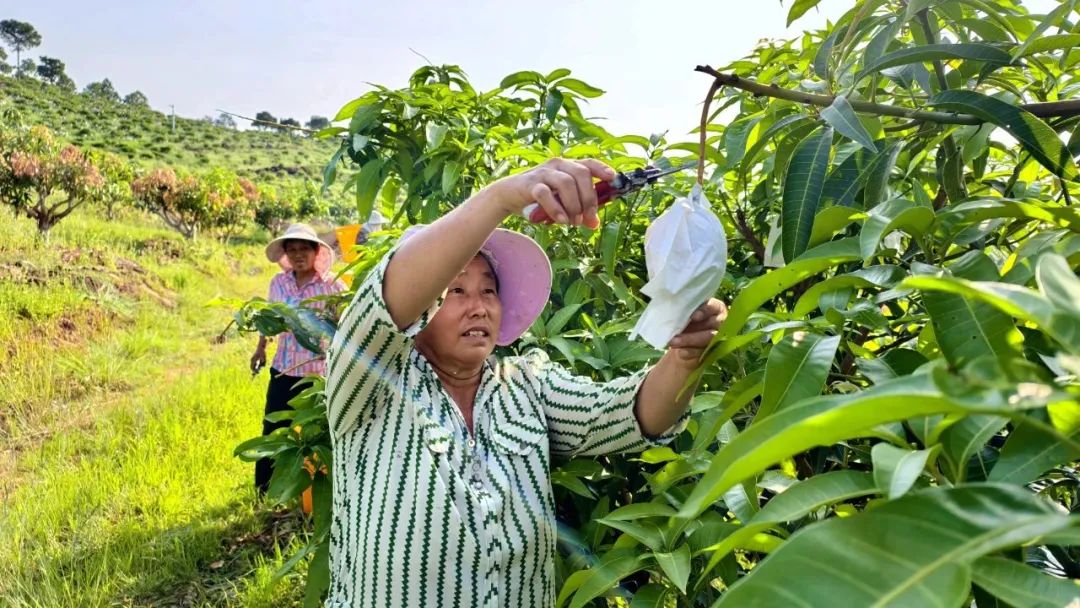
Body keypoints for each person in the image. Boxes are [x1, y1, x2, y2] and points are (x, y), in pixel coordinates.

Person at [324, 158, 727, 607]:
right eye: (456, 290)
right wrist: (501, 197)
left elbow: (629, 414)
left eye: (489, 290)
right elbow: (387, 299)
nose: (478, 306)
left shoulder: (525, 383)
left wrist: (686, 356)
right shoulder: (370, 381)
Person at [251, 223, 346, 496]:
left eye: (304, 248)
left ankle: (315, 494)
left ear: (316, 252)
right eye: (292, 250)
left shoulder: (331, 286)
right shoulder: (278, 283)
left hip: (317, 373)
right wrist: (260, 348)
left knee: (316, 434)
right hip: (283, 370)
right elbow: (269, 322)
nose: (298, 255)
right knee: (273, 429)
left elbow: (343, 327)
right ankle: (265, 492)